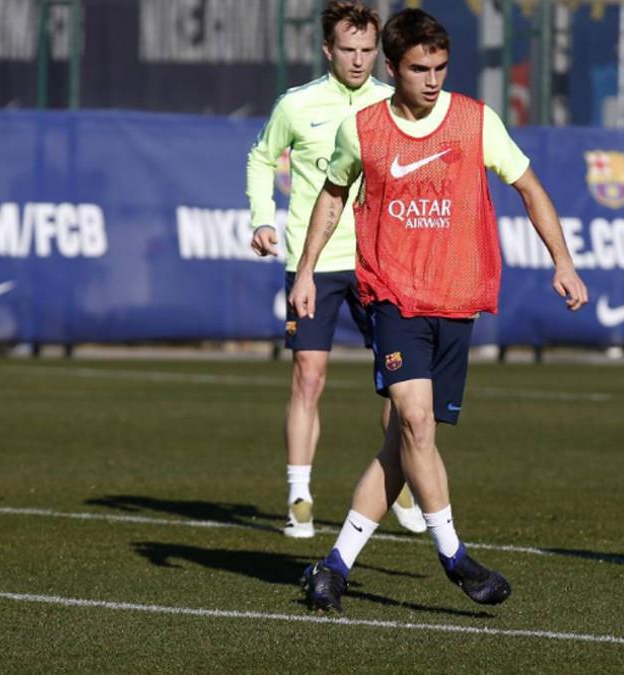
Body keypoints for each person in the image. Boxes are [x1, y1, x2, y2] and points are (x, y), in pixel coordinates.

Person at [290, 8, 588, 613]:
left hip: (457, 300)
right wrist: (306, 270)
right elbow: (333, 193)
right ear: (392, 69)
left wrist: (564, 261)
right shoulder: (365, 129)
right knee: (416, 422)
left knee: (405, 442)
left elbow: (529, 187)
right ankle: (455, 555)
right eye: (418, 68)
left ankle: (333, 565)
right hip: (393, 297)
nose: (432, 79)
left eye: (440, 67)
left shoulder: (476, 122)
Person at [246, 1, 426, 538]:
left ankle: (402, 481)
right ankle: (299, 494)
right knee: (309, 376)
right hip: (315, 261)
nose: (358, 60)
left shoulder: (394, 104)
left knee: (403, 386)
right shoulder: (298, 105)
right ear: (328, 50)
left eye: (368, 50)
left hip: (380, 263)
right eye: (348, 50)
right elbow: (261, 157)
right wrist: (262, 218)